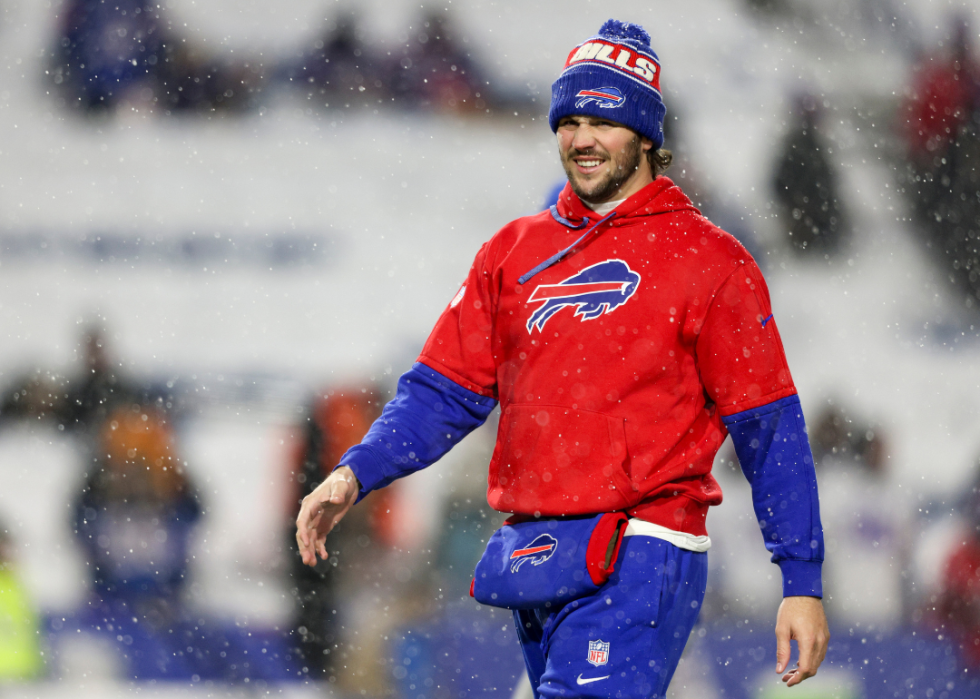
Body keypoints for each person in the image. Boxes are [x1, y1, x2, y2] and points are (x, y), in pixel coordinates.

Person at [296, 19, 828, 697]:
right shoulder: (513, 251)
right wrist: (355, 471)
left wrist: (802, 581)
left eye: (603, 120)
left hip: (645, 549)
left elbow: (770, 428)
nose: (581, 138)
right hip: (539, 554)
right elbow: (441, 390)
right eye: (568, 119)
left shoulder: (712, 262)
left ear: (645, 135)